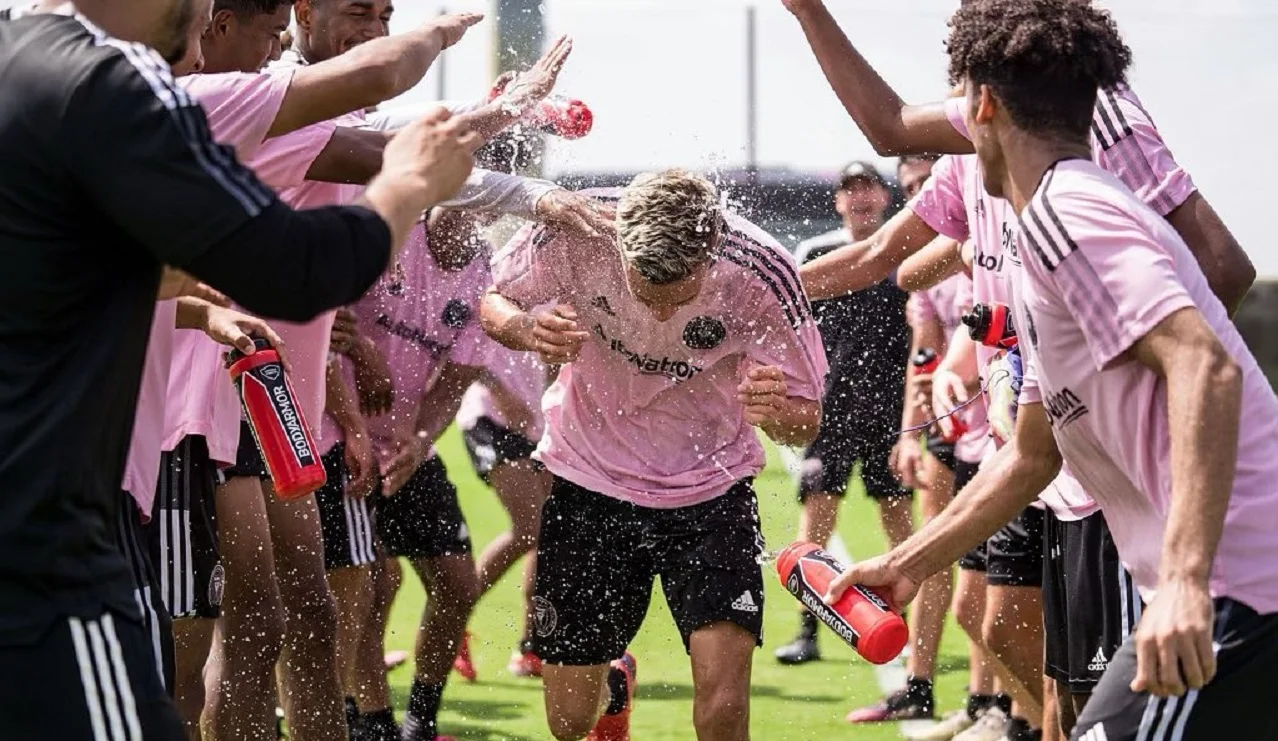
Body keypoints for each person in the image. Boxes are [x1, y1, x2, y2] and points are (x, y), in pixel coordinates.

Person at [0, 1, 479, 737]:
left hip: (81, 497)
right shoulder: (120, 83)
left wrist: (193, 306)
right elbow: (302, 269)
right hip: (54, 537)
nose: (200, 38)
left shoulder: (19, 58)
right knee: (205, 650)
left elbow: (70, 270)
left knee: (280, 617)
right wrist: (410, 182)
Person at [827, 4, 1278, 741]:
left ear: (982, 105)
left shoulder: (1070, 212)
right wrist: (907, 563)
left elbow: (1206, 365)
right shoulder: (1040, 237)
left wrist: (1185, 583)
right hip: (1222, 588)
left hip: (1240, 591)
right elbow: (1032, 455)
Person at [481, 169, 829, 741]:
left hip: (711, 492)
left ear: (711, 253)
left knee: (723, 711)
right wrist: (524, 327)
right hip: (589, 481)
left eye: (680, 298)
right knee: (568, 723)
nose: (662, 318)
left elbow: (805, 421)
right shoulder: (577, 228)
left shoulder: (763, 271)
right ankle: (613, 686)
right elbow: (493, 299)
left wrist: (775, 412)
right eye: (645, 294)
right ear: (620, 248)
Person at [775, 160, 913, 672]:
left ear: (883, 197)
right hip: (830, 410)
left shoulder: (904, 252)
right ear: (837, 200)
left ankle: (907, 628)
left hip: (892, 413)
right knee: (818, 515)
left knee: (898, 518)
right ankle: (808, 630)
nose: (860, 198)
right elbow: (791, 327)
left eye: (868, 188)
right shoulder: (816, 253)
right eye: (851, 190)